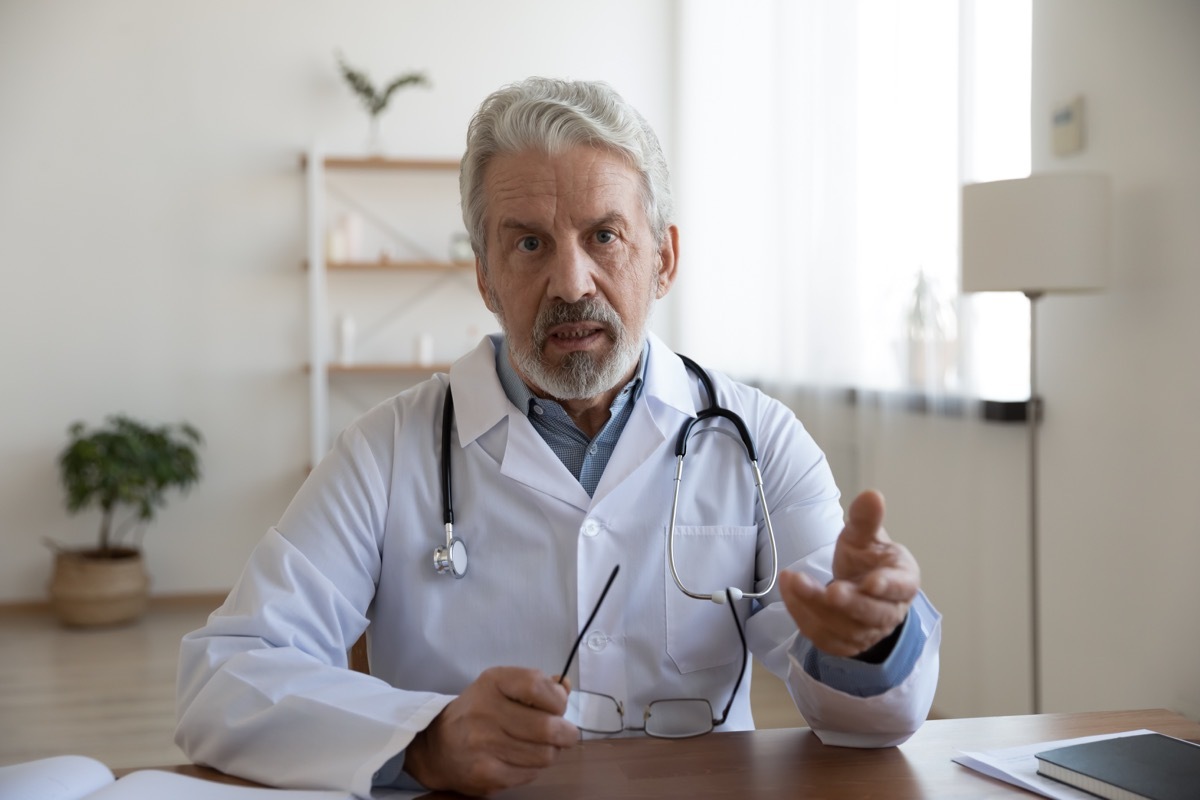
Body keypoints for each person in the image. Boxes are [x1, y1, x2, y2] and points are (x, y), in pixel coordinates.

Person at [175, 77, 941, 798]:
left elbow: (869, 722)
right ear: (485, 277)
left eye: (604, 235)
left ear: (664, 258)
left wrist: (867, 639)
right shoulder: (388, 450)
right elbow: (224, 678)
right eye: (530, 244)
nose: (571, 283)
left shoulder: (756, 438)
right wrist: (426, 739)